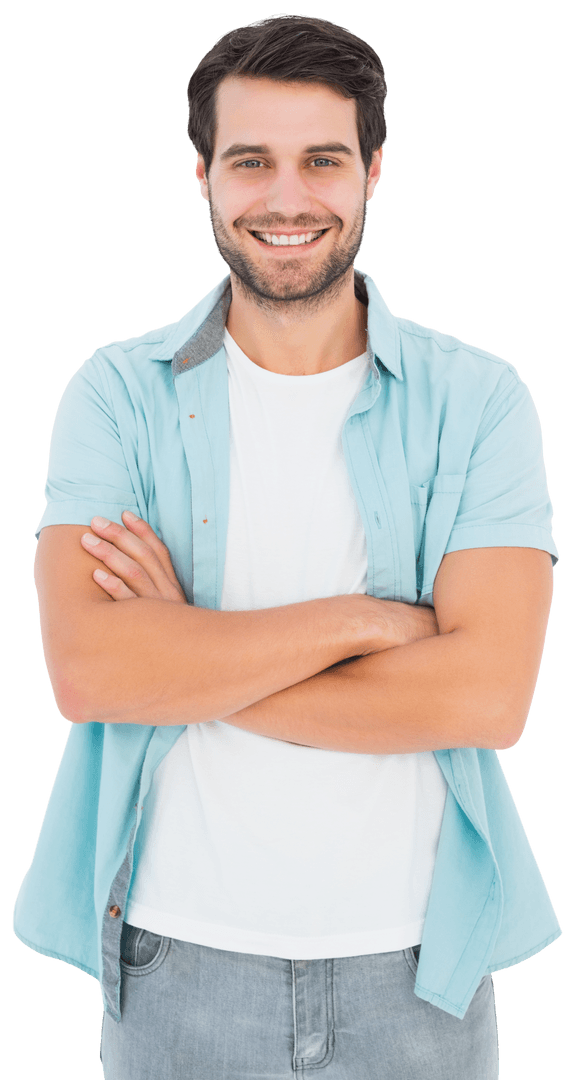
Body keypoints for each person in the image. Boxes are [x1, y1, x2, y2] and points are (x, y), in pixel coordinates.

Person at [13, 13, 561, 1080]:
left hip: (418, 970)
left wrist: (185, 654)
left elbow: (487, 697)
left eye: (322, 160)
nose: (287, 198)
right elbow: (89, 674)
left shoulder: (477, 400)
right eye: (250, 161)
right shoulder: (115, 396)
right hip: (175, 963)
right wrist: (370, 624)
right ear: (203, 176)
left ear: (373, 171)